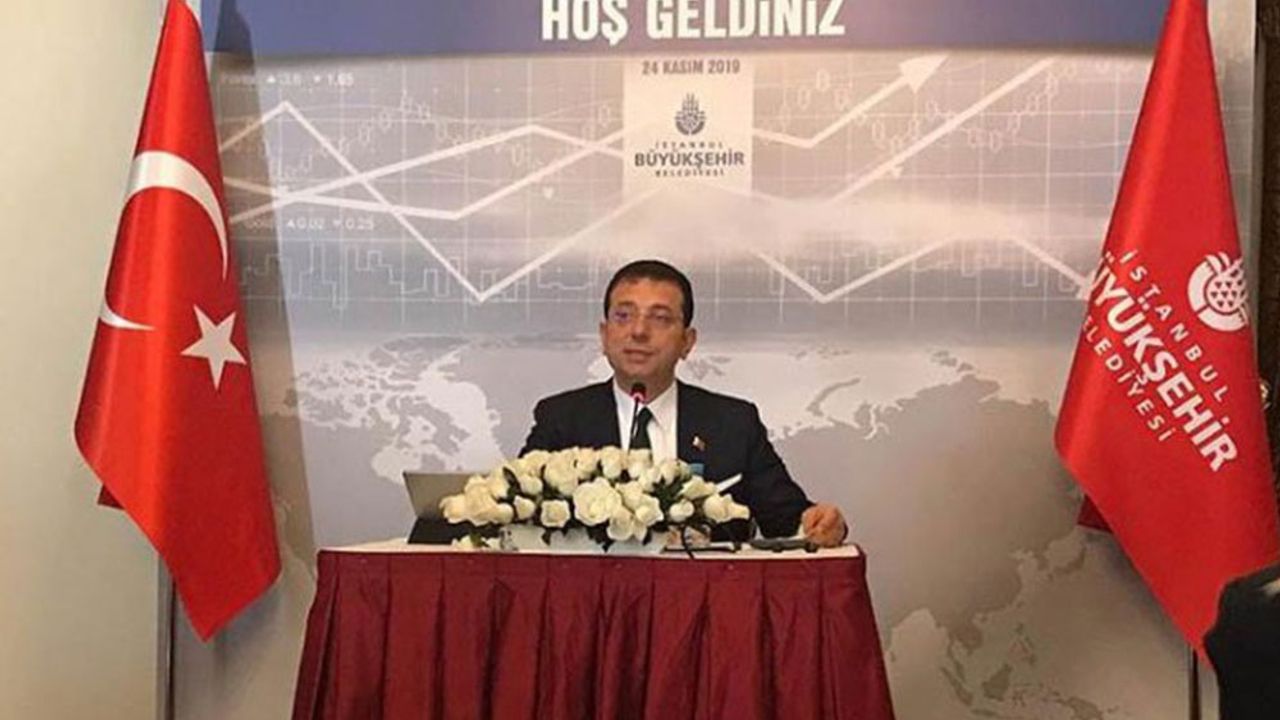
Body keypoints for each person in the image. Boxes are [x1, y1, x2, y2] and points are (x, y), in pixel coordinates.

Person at [520, 259, 847, 547]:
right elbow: (518, 515)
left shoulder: (733, 423)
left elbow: (788, 520)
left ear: (687, 342)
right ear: (604, 336)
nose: (639, 331)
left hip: (706, 595)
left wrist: (819, 524)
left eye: (660, 318)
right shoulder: (562, 420)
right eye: (623, 316)